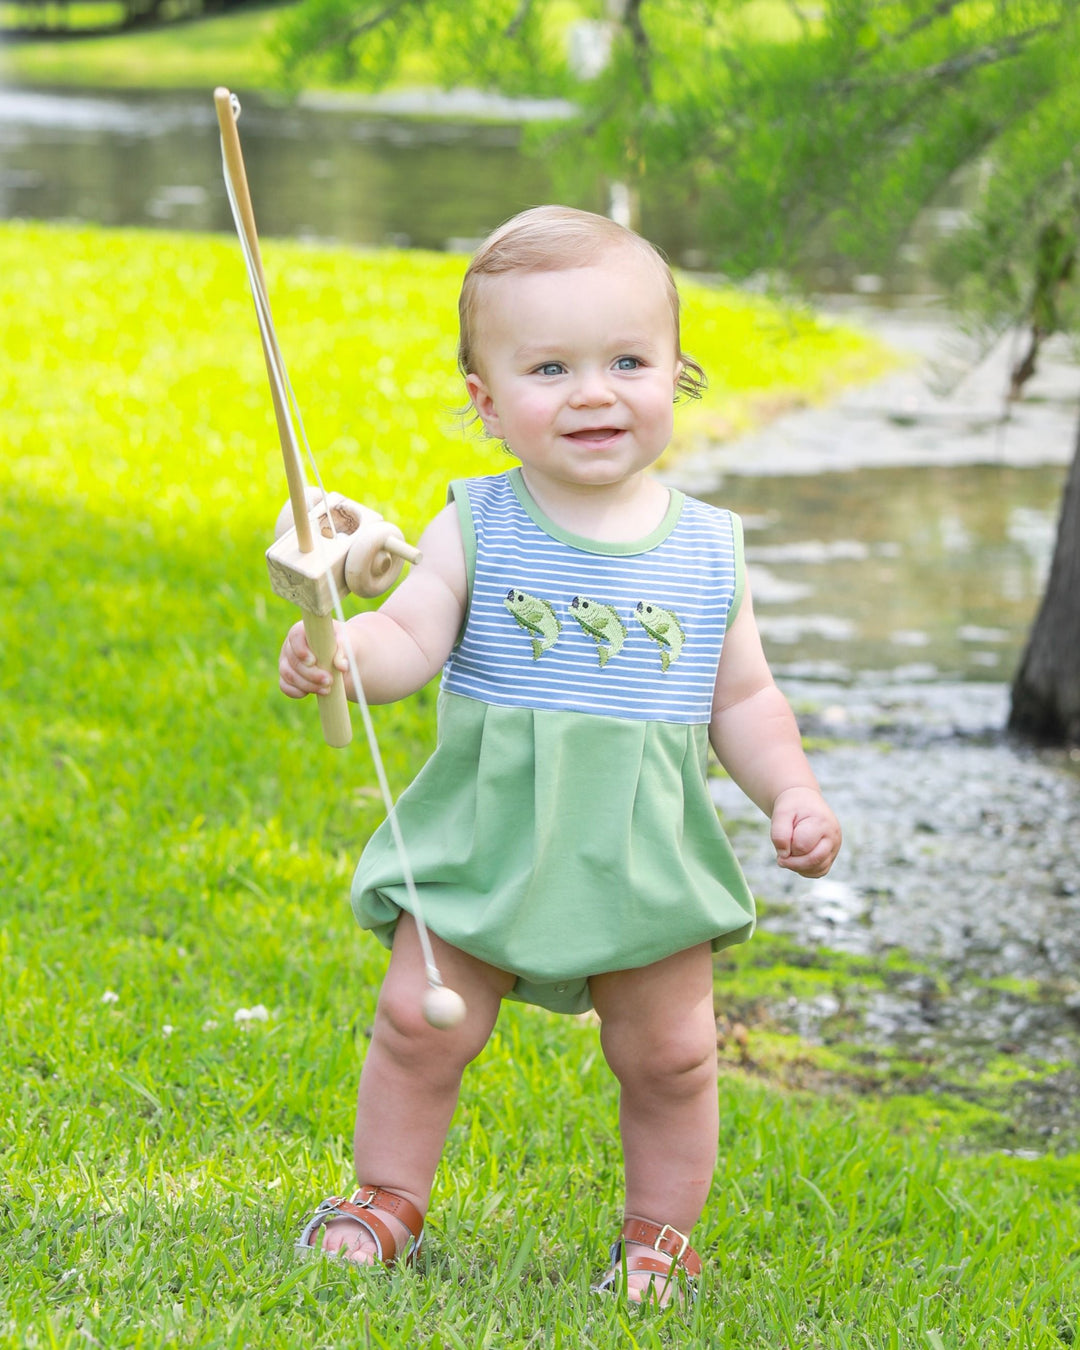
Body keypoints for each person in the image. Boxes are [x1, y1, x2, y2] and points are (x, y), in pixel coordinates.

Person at [279, 205, 842, 1304]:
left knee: (673, 1057)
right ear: (489, 404)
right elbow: (412, 633)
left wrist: (793, 789)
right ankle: (386, 1198)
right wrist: (344, 654)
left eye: (627, 360)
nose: (593, 391)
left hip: (640, 850)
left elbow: (746, 699)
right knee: (416, 1023)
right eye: (550, 368)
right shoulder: (476, 524)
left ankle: (657, 1240)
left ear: (679, 373)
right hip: (489, 834)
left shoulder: (708, 546)